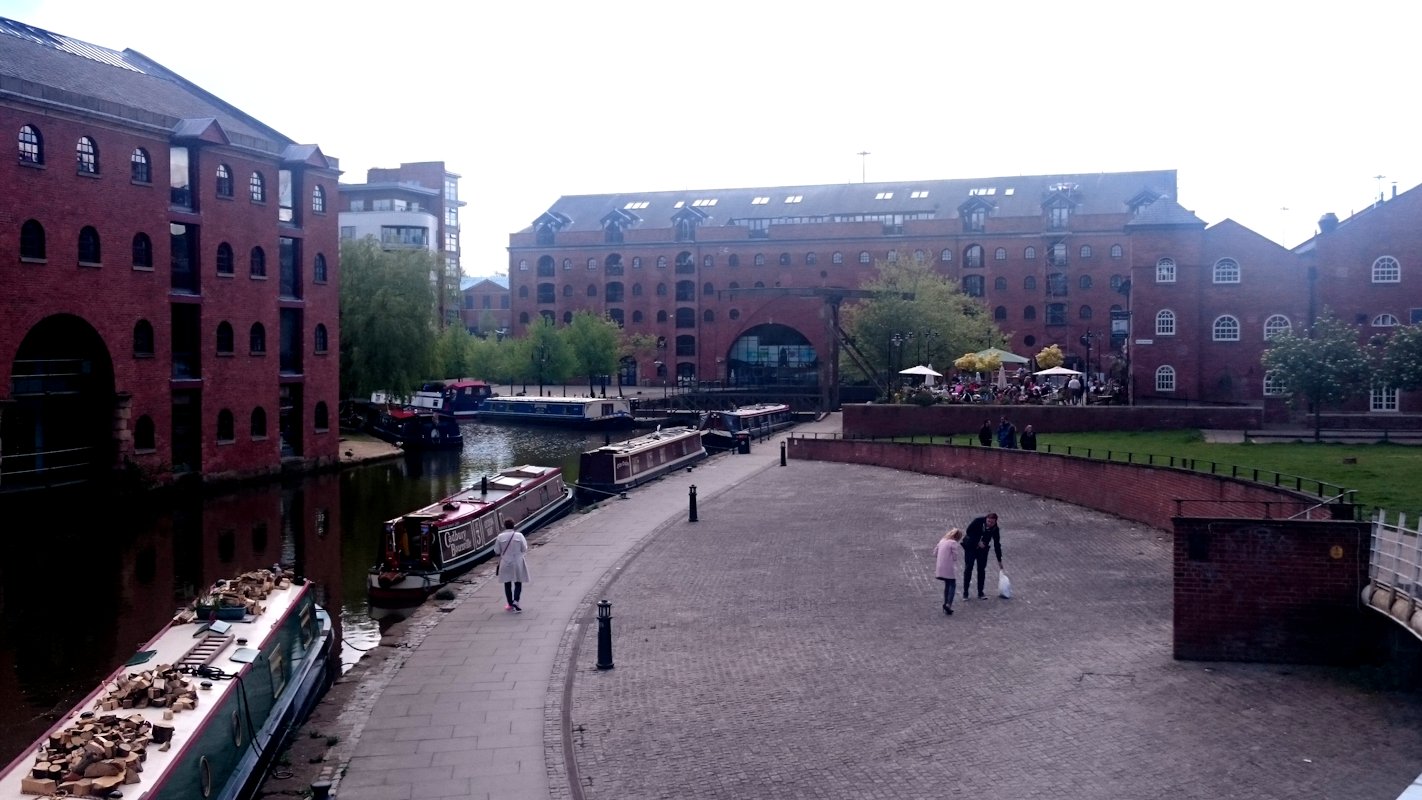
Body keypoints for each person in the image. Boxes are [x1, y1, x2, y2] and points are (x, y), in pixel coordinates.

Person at [961, 513, 1003, 600]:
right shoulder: (978, 521)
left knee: (981, 570)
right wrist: (977, 541)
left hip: (983, 550)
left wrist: (999, 560)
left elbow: (997, 544)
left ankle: (980, 592)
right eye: (988, 521)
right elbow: (968, 531)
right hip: (971, 547)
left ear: (995, 522)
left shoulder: (995, 529)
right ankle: (965, 593)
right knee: (969, 568)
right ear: (986, 519)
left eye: (992, 522)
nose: (990, 524)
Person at [494, 519, 529, 612]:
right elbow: (524, 548)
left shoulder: (500, 537)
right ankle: (516, 601)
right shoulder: (519, 535)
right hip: (517, 562)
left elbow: (496, 551)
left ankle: (509, 604)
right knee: (518, 582)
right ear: (514, 525)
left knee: (507, 583)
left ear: (505, 526)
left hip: (505, 562)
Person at [933, 528, 965, 615]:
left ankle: (945, 603)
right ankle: (948, 604)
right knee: (952, 584)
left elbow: (935, 553)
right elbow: (955, 557)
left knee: (947, 584)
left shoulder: (942, 540)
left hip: (940, 567)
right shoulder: (953, 543)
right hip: (949, 567)